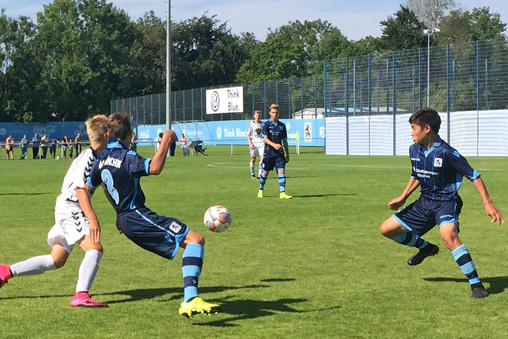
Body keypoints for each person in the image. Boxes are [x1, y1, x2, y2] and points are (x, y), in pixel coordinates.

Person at [86, 113, 220, 317]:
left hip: (127, 217)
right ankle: (190, 300)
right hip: (136, 215)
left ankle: (191, 298)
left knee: (193, 240)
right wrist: (166, 138)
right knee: (195, 239)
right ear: (129, 134)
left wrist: (116, 212)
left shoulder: (101, 160)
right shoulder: (127, 157)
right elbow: (155, 167)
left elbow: (88, 187)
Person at [379, 108, 504, 299]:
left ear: (426, 128)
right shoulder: (414, 149)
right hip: (424, 202)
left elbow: (474, 176)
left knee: (448, 236)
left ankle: (477, 285)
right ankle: (426, 248)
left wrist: (488, 203)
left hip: (446, 201)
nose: (411, 132)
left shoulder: (447, 153)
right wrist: (403, 197)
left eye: (413, 128)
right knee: (387, 229)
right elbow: (417, 175)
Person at [0, 115, 109, 307]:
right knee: (95, 249)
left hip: (67, 206)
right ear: (106, 136)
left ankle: (6, 271)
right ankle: (81, 295)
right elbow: (80, 190)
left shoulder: (93, 157)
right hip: (71, 207)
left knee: (56, 259)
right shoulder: (89, 159)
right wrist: (93, 219)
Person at [257, 104, 292, 199]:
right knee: (265, 173)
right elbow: (265, 139)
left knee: (281, 171)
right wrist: (274, 145)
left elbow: (284, 140)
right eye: (273, 113)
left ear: (279, 113)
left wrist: (287, 154)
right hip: (269, 153)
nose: (275, 114)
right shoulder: (266, 125)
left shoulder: (282, 126)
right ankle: (260, 189)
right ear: (269, 113)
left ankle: (282, 193)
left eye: (276, 113)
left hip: (279, 153)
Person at [246, 110, 265, 178]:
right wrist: (250, 143)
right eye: (256, 115)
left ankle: (260, 174)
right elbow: (248, 135)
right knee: (253, 159)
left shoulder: (263, 124)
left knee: (262, 158)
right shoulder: (251, 124)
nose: (257, 117)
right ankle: (252, 172)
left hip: (261, 143)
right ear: (254, 116)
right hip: (254, 143)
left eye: (259, 115)